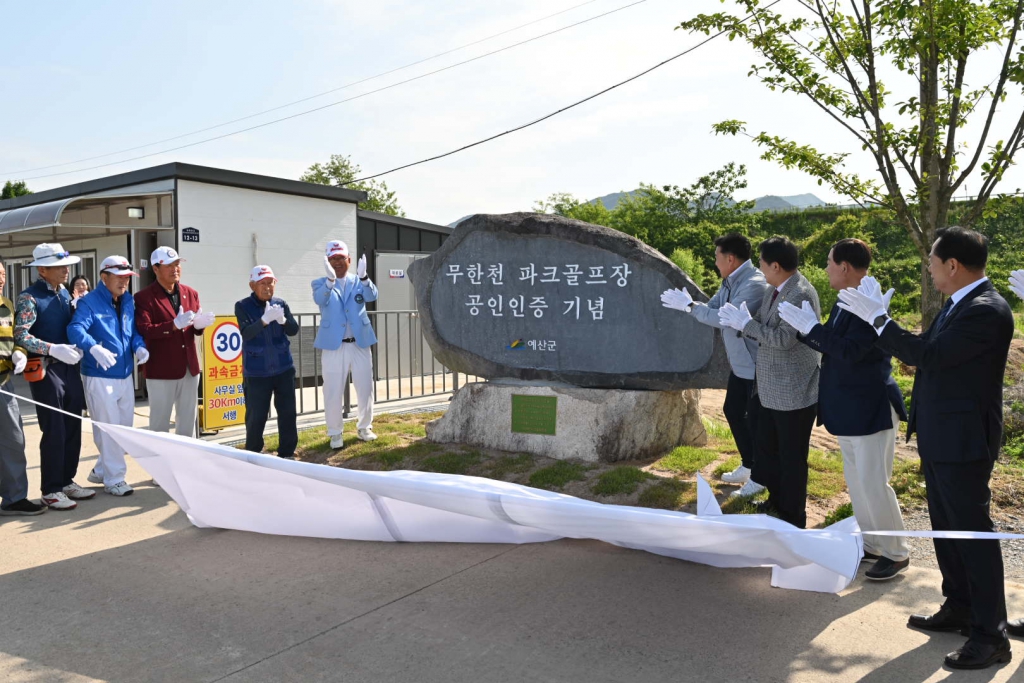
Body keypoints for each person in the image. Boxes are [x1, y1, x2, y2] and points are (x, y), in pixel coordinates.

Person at [838, 227, 1012, 670]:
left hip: (964, 439)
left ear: (953, 265)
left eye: (932, 263)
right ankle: (960, 606)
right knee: (946, 528)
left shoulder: (986, 310)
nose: (930, 272)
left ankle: (991, 635)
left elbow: (929, 357)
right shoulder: (959, 303)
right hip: (941, 434)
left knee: (972, 535)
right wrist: (892, 333)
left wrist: (880, 321)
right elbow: (928, 352)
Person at [778, 239, 910, 580]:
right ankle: (874, 544)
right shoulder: (844, 300)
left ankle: (896, 553)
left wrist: (814, 330)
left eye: (828, 262)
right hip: (850, 407)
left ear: (845, 267)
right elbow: (834, 345)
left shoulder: (867, 301)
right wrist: (813, 331)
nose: (825, 268)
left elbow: (851, 351)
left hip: (870, 407)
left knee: (874, 483)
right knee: (858, 482)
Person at [718, 236, 821, 529]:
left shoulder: (799, 293)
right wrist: (744, 318)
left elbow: (783, 339)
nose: (760, 269)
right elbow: (763, 320)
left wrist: (746, 325)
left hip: (793, 389)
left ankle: (793, 516)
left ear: (775, 265)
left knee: (792, 457)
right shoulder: (777, 289)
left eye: (762, 264)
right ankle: (776, 501)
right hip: (770, 385)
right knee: (769, 448)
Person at [661, 233, 771, 495]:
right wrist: (692, 305)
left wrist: (691, 307)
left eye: (717, 258)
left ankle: (761, 475)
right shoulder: (730, 281)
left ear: (730, 259)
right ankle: (749, 464)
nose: (715, 263)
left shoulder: (753, 284)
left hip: (756, 366)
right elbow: (711, 307)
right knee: (733, 411)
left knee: (756, 422)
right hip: (741, 364)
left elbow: (723, 317)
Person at [14, 244, 90, 511]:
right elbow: (21, 334)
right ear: (42, 270)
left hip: (69, 367)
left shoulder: (65, 295)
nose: (65, 269)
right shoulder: (29, 298)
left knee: (73, 425)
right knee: (54, 428)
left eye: (65, 265)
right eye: (58, 266)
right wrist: (51, 348)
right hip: (45, 368)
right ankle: (51, 489)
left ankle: (67, 480)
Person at [68, 256, 149, 497]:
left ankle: (102, 469)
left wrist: (139, 346)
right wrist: (93, 347)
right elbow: (75, 328)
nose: (124, 282)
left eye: (127, 278)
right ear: (104, 278)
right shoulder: (89, 302)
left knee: (124, 429)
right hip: (99, 374)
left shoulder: (128, 301)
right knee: (109, 430)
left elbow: (132, 331)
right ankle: (115, 479)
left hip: (125, 374)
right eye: (119, 277)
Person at [134, 247, 215, 439]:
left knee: (188, 423)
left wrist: (199, 326)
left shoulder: (191, 293)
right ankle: (161, 465)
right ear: (155, 269)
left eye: (177, 264)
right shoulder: (144, 297)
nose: (175, 269)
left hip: (189, 367)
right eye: (169, 265)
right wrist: (173, 325)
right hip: (161, 369)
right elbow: (144, 328)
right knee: (160, 425)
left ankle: (188, 464)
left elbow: (193, 327)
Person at [313, 240, 379, 448]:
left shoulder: (359, 280)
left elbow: (372, 295)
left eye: (341, 258)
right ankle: (335, 432)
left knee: (365, 386)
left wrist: (365, 278)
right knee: (332, 390)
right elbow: (319, 300)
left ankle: (364, 427)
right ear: (327, 262)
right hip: (334, 345)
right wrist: (330, 282)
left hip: (360, 342)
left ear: (349, 260)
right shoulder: (320, 283)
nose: (337, 263)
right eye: (333, 259)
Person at [236, 265, 299, 459]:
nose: (267, 287)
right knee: (256, 416)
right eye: (262, 283)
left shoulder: (280, 303)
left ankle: (287, 452)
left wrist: (283, 321)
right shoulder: (243, 306)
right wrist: (263, 320)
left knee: (288, 413)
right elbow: (246, 333)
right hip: (257, 371)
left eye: (270, 282)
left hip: (283, 368)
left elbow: (293, 330)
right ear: (252, 285)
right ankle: (254, 453)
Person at [0, 260, 45, 517]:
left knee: (13, 442)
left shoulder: (6, 305)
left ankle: (14, 498)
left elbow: (17, 338)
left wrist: (19, 353)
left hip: (4, 383)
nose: (1, 278)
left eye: (3, 274)